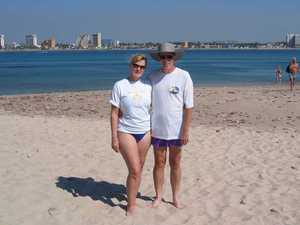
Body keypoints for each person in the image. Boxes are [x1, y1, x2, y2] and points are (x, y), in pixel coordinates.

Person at [148, 43, 193, 208]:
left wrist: (185, 130)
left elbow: (189, 106)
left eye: (169, 56)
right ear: (159, 58)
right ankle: (158, 196)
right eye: (163, 56)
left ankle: (175, 197)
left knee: (175, 163)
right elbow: (144, 102)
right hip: (157, 129)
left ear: (174, 58)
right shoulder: (152, 77)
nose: (166, 59)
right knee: (159, 162)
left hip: (176, 130)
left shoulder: (184, 76)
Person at [110, 54, 152, 215]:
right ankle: (131, 204)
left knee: (139, 169)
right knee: (134, 169)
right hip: (126, 131)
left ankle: (131, 194)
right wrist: (114, 137)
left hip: (146, 132)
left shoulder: (149, 85)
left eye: (142, 67)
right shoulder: (120, 85)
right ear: (130, 65)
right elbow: (114, 113)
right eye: (136, 65)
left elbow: (156, 107)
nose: (138, 69)